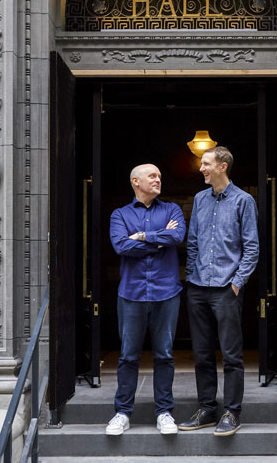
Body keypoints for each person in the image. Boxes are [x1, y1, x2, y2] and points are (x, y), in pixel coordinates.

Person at [179, 146, 259, 437]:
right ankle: (207, 409)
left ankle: (232, 411)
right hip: (198, 287)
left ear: (223, 166)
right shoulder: (200, 199)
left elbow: (251, 248)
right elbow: (193, 242)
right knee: (201, 353)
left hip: (227, 287)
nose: (202, 168)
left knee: (232, 354)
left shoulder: (243, 200)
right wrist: (191, 277)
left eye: (206, 163)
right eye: (202, 164)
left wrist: (237, 282)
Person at [106, 163, 186, 436]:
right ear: (135, 181)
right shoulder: (120, 214)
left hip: (167, 292)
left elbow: (177, 236)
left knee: (164, 355)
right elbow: (120, 246)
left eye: (160, 176)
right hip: (132, 294)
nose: (158, 180)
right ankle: (122, 413)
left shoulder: (172, 210)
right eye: (152, 176)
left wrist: (141, 236)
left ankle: (164, 412)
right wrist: (159, 241)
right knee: (128, 356)